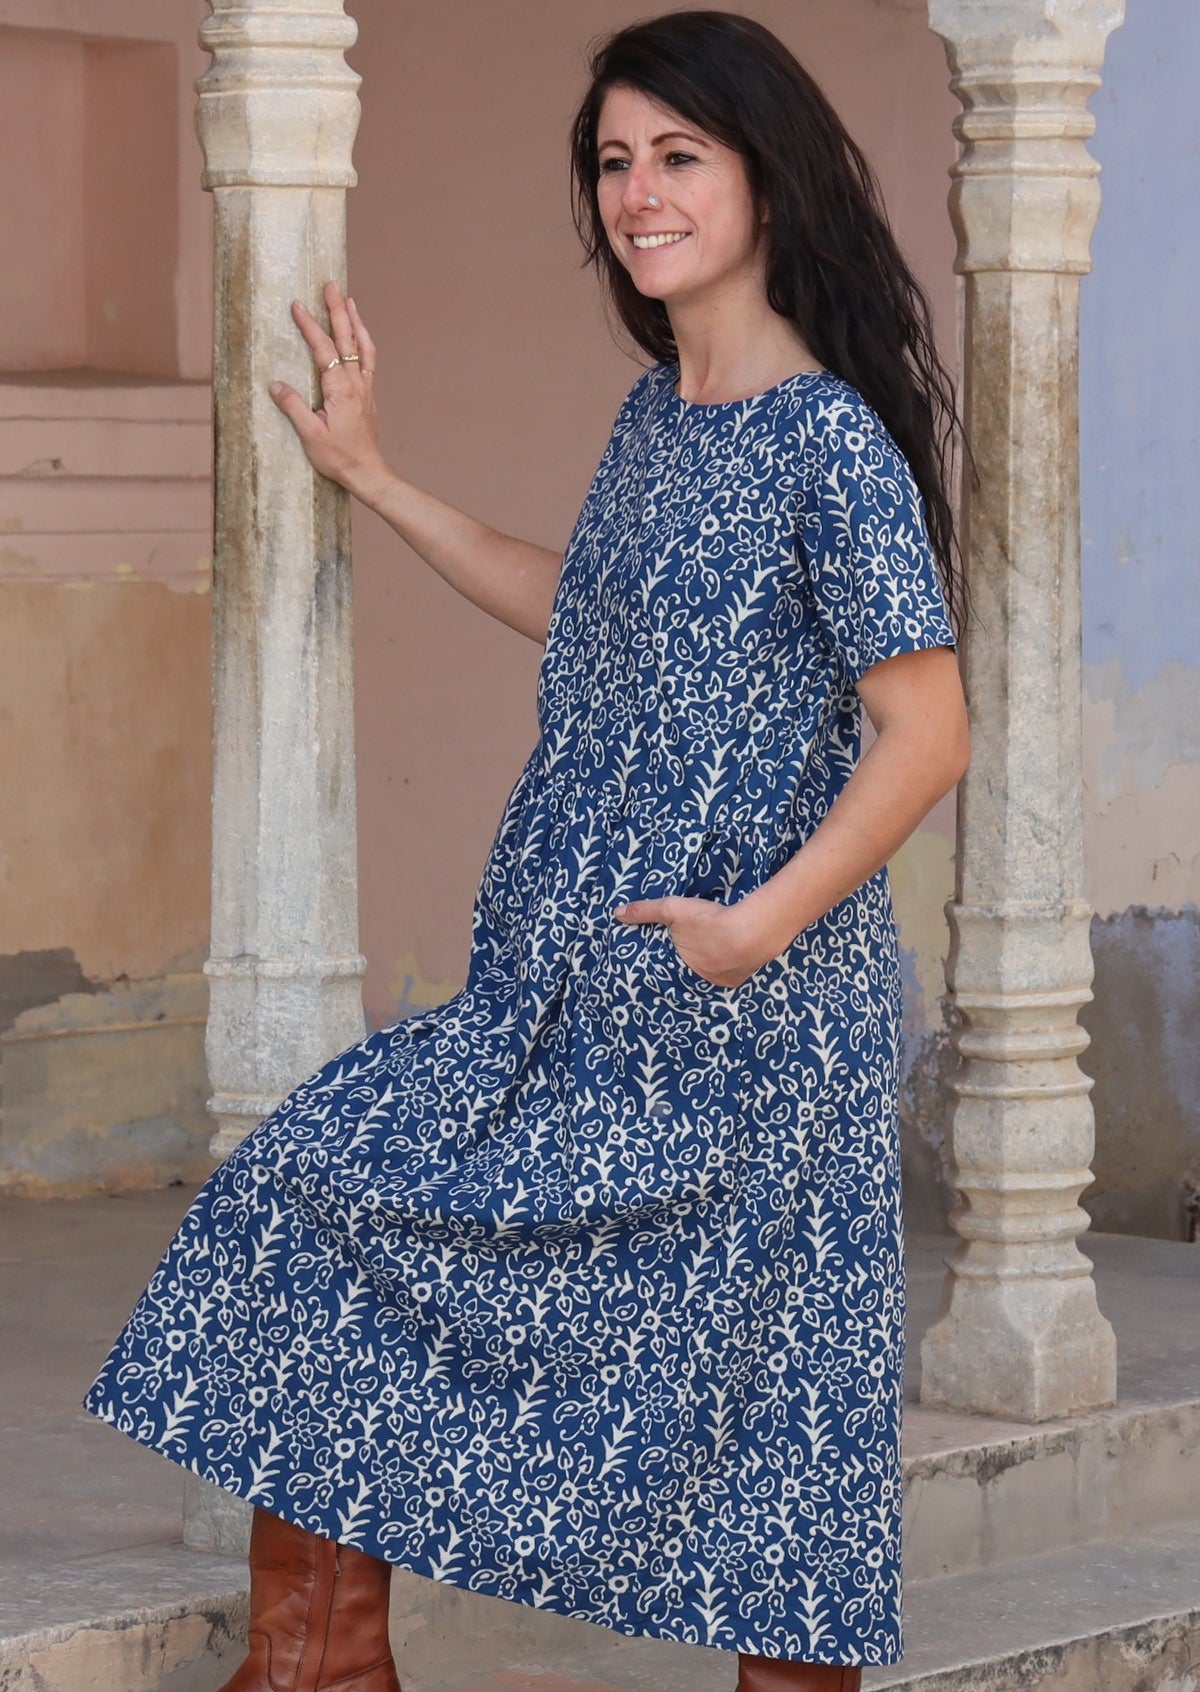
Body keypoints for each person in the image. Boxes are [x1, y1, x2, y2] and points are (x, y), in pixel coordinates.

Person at [83, 11, 972, 1691]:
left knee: (773, 1450)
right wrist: (376, 479)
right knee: (316, 1185)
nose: (639, 193)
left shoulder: (824, 439)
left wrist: (755, 929)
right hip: (569, 996)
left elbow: (929, 729)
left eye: (679, 156)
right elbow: (586, 613)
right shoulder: (661, 417)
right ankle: (317, 1668)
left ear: (765, 177)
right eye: (616, 161)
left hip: (751, 1029)